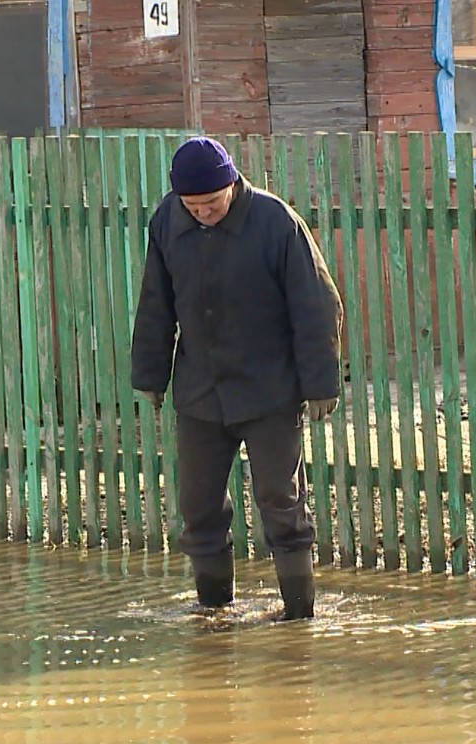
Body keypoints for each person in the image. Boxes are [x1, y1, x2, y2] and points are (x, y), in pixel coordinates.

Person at [131, 136, 343, 620]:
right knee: (199, 507)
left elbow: (316, 306)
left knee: (281, 502)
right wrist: (151, 373)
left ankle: (298, 615)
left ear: (232, 186)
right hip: (200, 392)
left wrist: (320, 384)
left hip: (269, 389)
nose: (202, 213)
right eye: (193, 206)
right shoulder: (167, 222)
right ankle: (213, 613)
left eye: (211, 204)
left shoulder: (275, 223)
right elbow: (155, 304)